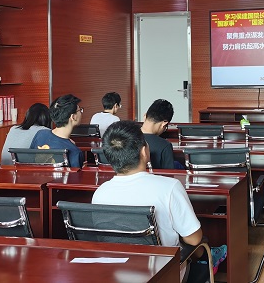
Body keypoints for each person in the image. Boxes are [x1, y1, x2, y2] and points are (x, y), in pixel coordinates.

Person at [92, 120, 226, 281]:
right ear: (144, 152)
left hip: (115, 272)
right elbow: (194, 238)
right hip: (163, 273)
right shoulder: (169, 187)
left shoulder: (100, 194)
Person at [29, 94, 85, 168]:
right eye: (80, 110)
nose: (81, 112)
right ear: (73, 117)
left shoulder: (40, 134)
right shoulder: (75, 152)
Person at [141, 99, 181, 169]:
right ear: (164, 124)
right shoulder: (165, 145)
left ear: (145, 116)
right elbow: (169, 173)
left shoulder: (126, 137)